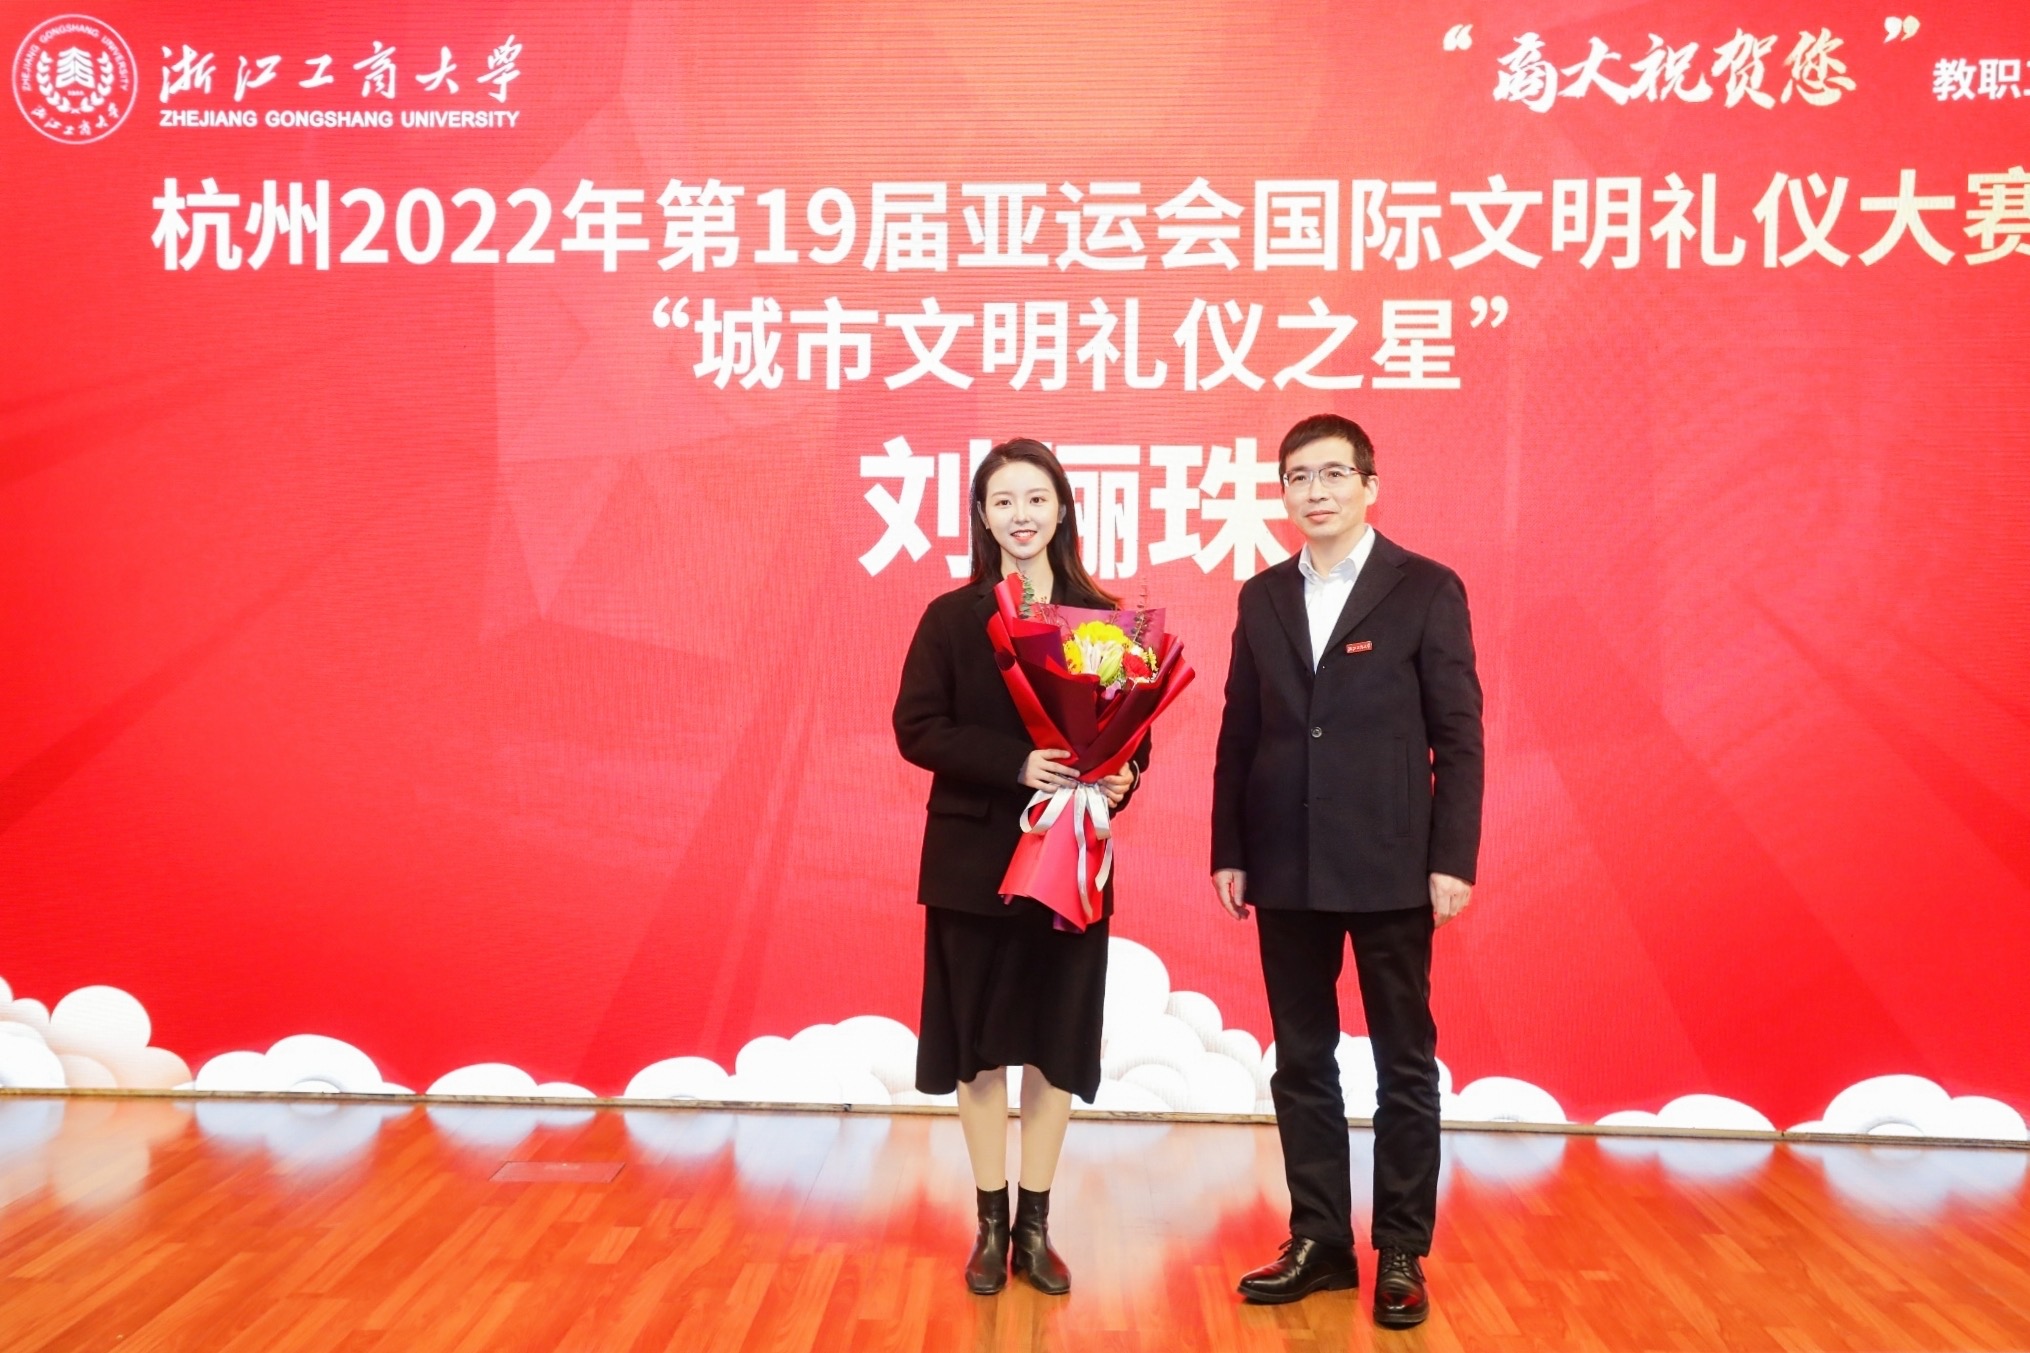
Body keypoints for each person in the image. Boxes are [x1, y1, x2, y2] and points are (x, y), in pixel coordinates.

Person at [1210, 413, 1483, 1328]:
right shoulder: (1261, 596)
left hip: (1393, 863)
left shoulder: (1426, 588)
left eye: (1333, 474)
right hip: (1284, 861)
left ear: (1370, 485)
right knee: (1301, 1058)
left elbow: (1459, 736)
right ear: (1283, 493)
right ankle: (1320, 1239)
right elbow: (1239, 730)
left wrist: (1452, 857)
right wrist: (1229, 847)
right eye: (1298, 477)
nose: (1315, 491)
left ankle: (1401, 1247)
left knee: (1405, 1061)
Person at [893, 437, 1150, 1296]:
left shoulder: (1104, 620)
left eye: (1036, 498)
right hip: (972, 865)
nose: (1021, 514)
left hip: (1070, 867)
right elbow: (917, 727)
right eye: (1003, 500)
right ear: (981, 515)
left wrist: (1122, 776)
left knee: (1052, 1046)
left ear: (1063, 507)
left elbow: (1130, 735)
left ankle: (1036, 1229)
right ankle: (990, 1224)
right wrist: (1016, 765)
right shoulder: (951, 617)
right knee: (977, 1054)